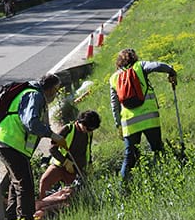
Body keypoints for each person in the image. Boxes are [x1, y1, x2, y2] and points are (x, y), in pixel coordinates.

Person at [0, 73, 68, 220]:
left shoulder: (34, 94)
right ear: (50, 88)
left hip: (8, 142)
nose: (56, 93)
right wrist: (53, 135)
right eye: (56, 90)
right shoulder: (34, 95)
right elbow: (31, 123)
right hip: (9, 142)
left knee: (16, 183)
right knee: (25, 184)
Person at [109, 48, 177, 180]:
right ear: (134, 57)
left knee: (130, 158)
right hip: (150, 118)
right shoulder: (140, 66)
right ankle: (165, 178)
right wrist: (171, 70)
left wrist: (119, 125)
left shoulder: (114, 78)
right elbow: (157, 66)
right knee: (157, 150)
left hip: (129, 123)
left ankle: (123, 189)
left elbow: (114, 105)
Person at [38, 110, 101, 200]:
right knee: (44, 182)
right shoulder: (68, 129)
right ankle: (41, 206)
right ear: (81, 122)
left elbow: (88, 150)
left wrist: (89, 165)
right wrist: (66, 162)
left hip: (77, 170)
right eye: (88, 129)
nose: (89, 131)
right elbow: (52, 149)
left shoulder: (89, 134)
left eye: (92, 129)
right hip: (60, 166)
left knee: (70, 196)